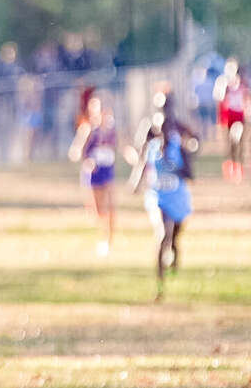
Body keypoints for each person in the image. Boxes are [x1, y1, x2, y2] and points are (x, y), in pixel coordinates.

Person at [128, 92, 197, 301]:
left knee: (173, 236)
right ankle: (160, 284)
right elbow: (142, 162)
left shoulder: (179, 142)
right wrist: (135, 182)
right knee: (162, 234)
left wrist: (176, 167)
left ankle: (174, 251)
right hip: (158, 196)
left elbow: (191, 174)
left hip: (178, 197)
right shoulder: (151, 141)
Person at [68, 93, 117, 256]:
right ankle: (103, 236)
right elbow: (75, 152)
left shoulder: (111, 130)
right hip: (93, 174)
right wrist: (88, 162)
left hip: (108, 171)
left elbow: (122, 146)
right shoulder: (88, 129)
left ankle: (108, 241)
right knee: (98, 211)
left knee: (111, 207)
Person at [213, 58, 246, 183]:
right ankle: (230, 166)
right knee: (229, 143)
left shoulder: (242, 82)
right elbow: (219, 98)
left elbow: (246, 98)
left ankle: (238, 167)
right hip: (227, 117)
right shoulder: (223, 82)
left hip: (239, 116)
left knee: (238, 141)